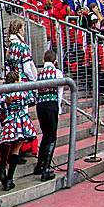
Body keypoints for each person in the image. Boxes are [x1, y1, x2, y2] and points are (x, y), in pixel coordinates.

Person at [0, 71, 37, 191]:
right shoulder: (23, 92)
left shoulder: (4, 93)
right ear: (16, 81)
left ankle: (2, 169)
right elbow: (31, 100)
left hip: (9, 121)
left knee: (5, 144)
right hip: (21, 121)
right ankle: (10, 179)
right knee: (15, 150)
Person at [33, 50, 63, 182]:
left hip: (40, 105)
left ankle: (40, 165)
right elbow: (60, 92)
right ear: (55, 62)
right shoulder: (57, 73)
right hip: (51, 104)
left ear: (44, 61)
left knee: (45, 135)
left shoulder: (39, 74)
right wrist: (59, 107)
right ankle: (46, 169)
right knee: (52, 137)